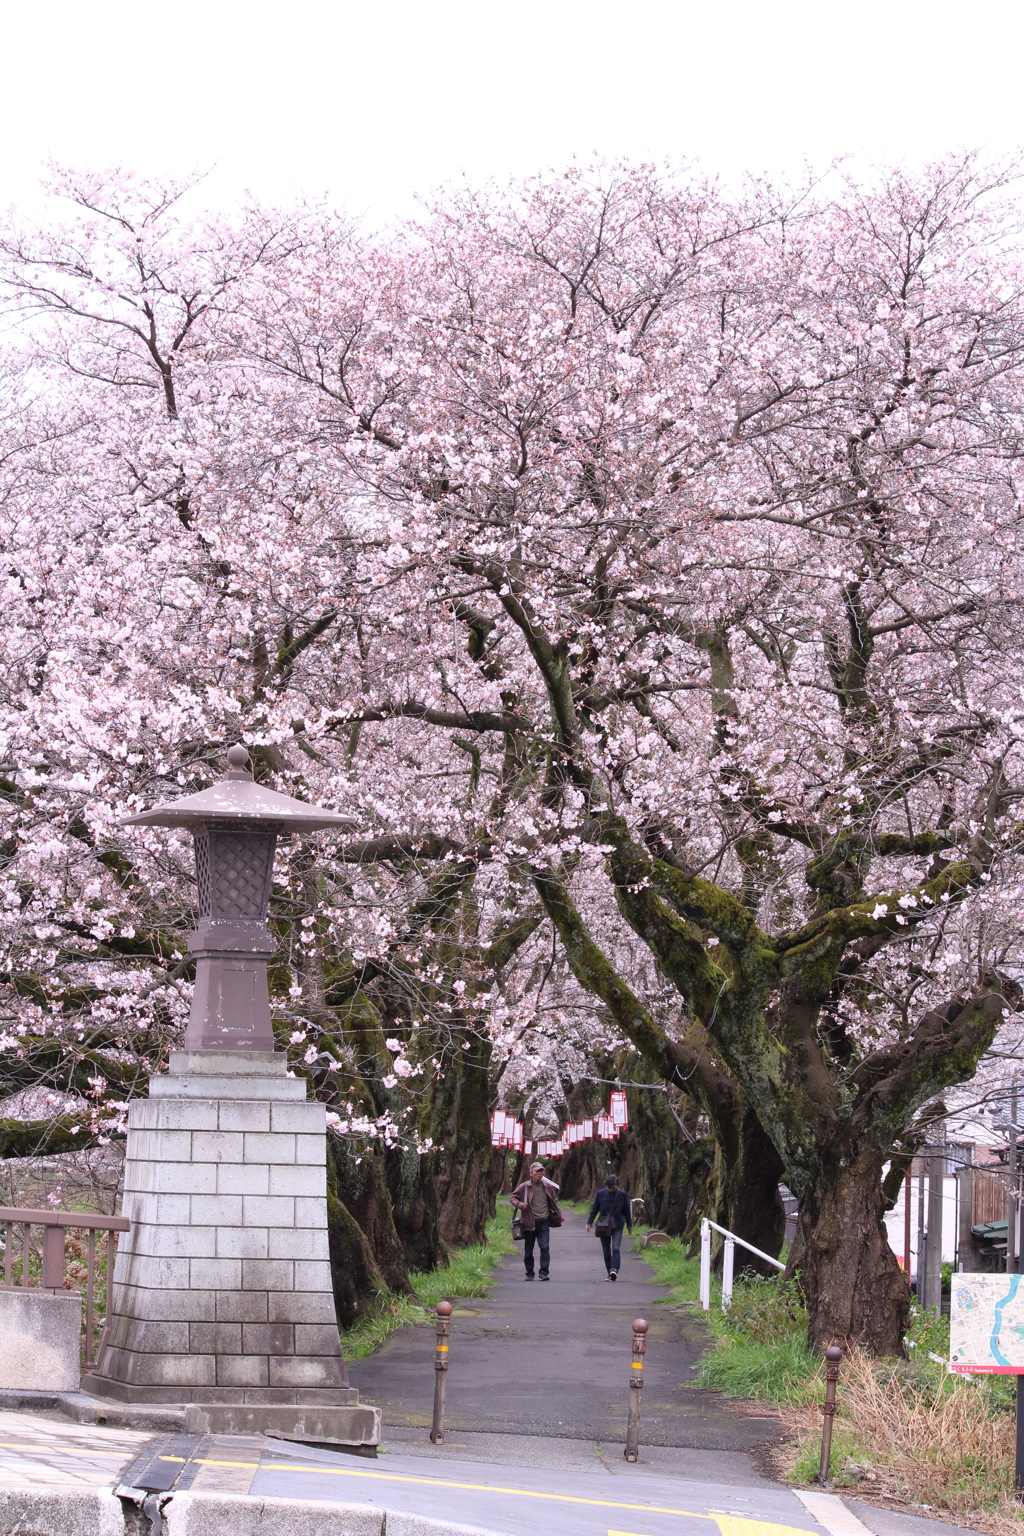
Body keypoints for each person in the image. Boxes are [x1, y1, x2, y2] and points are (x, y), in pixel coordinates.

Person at [510, 1161, 564, 1281]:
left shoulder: (548, 1187)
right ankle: (529, 1273)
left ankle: (543, 1272)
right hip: (529, 1222)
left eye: (541, 1171)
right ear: (531, 1173)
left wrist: (559, 1213)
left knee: (544, 1247)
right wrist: (519, 1204)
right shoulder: (524, 1186)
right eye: (537, 1171)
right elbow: (512, 1197)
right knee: (529, 1250)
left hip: (544, 1221)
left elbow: (554, 1202)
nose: (539, 1174)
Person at [586, 1173, 632, 1279]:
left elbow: (627, 1212)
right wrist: (589, 1222)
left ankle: (614, 1269)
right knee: (606, 1251)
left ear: (617, 1185)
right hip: (604, 1225)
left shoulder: (622, 1195)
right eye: (609, 1187)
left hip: (618, 1224)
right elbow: (594, 1209)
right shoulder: (600, 1194)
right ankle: (610, 1273)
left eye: (613, 1188)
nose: (611, 1189)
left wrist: (629, 1226)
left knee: (615, 1248)